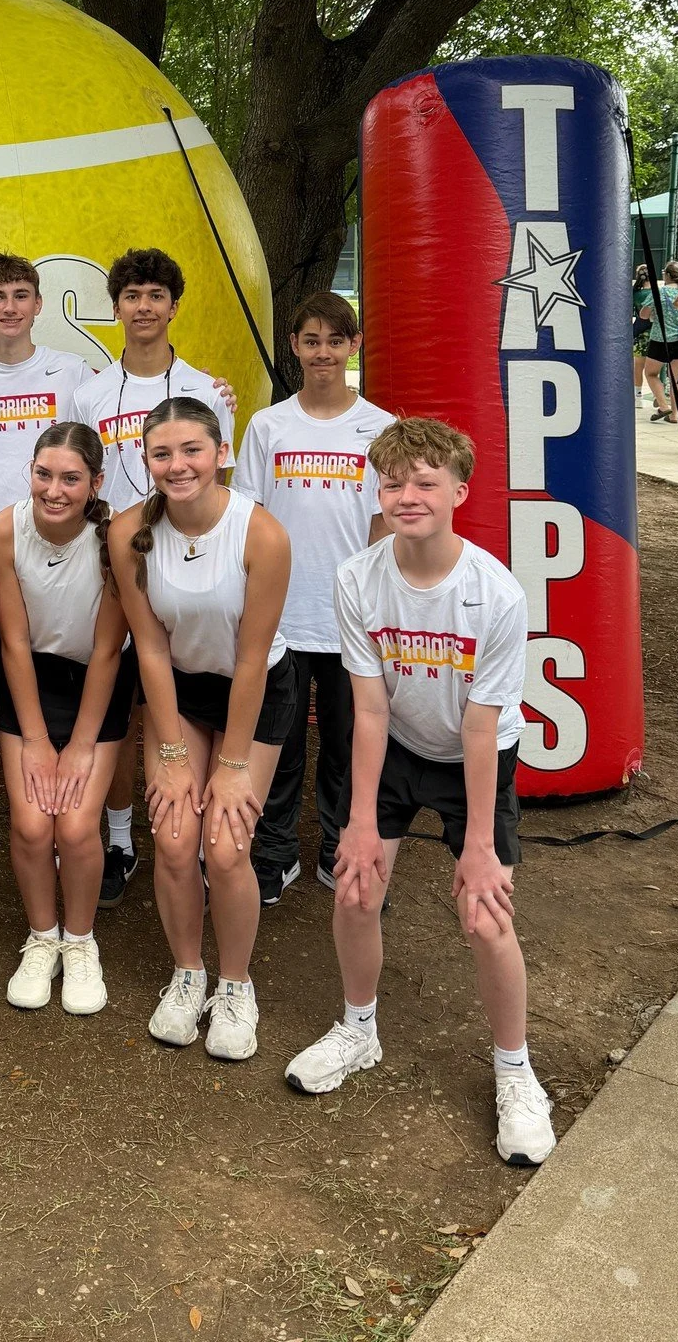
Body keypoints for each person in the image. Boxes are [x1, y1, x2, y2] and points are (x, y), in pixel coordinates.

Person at [284, 418, 557, 1168]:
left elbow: (481, 726)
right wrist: (358, 823)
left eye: (425, 483)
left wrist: (479, 847)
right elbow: (368, 710)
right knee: (355, 888)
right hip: (399, 746)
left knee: (485, 915)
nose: (407, 496)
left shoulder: (496, 594)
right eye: (393, 483)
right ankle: (358, 1030)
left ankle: (515, 1073)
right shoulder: (356, 578)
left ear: (459, 493)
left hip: (476, 756)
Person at [108, 398, 293, 1060]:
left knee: (227, 845)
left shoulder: (261, 534)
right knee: (175, 836)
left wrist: (233, 767)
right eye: (162, 453)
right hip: (179, 691)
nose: (178, 465)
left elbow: (251, 659)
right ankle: (188, 973)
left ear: (221, 453)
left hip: (253, 690)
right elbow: (151, 649)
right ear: (146, 460)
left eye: (192, 450)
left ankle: (236, 984)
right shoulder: (128, 531)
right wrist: (171, 753)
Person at [72, 248, 239, 908]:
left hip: (186, 567)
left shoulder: (207, 391)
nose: (143, 307)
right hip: (113, 565)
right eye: (132, 295)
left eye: (155, 295)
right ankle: (120, 838)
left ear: (174, 306)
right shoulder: (89, 393)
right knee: (120, 705)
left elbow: (222, 488)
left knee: (185, 699)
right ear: (116, 307)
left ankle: (195, 839)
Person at [0, 252, 93, 882]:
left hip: (56, 550)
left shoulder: (72, 372)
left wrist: (210, 391)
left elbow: (121, 419)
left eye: (21, 295)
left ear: (38, 304)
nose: (9, 307)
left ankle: (66, 807)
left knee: (60, 682)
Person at [237, 293, 393, 905]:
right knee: (277, 742)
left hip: (350, 617)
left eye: (335, 340)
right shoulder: (267, 426)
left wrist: (377, 606)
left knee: (347, 740)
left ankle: (338, 847)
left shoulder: (380, 427)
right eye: (311, 341)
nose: (322, 352)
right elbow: (250, 519)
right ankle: (275, 852)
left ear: (354, 346)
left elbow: (383, 524)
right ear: (295, 347)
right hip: (281, 614)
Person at [0, 422, 133, 1015]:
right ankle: (42, 936)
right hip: (31, 682)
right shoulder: (3, 530)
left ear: (95, 483)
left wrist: (80, 746)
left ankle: (80, 940)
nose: (54, 490)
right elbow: (14, 642)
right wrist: (37, 739)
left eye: (71, 479)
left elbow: (108, 649)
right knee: (30, 826)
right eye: (43, 474)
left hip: (97, 683)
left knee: (74, 828)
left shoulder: (115, 538)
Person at [640, 260, 678, 422]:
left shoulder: (659, 292)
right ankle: (675, 415)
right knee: (676, 380)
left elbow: (644, 315)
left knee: (651, 373)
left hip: (661, 339)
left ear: (667, 275)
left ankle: (663, 406)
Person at [632, 264, 653, 402]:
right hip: (656, 333)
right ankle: (658, 394)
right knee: (656, 369)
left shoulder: (635, 293)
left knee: (638, 366)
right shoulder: (657, 292)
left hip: (639, 333)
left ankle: (638, 396)